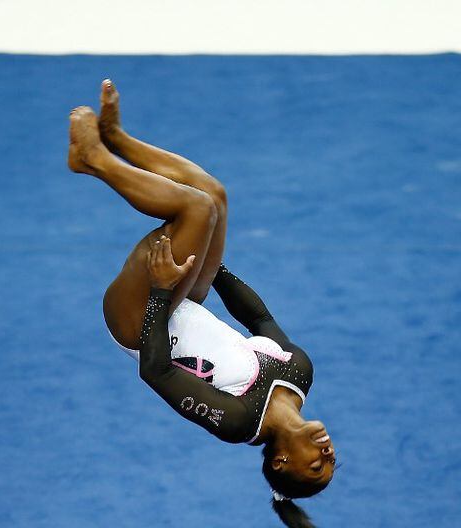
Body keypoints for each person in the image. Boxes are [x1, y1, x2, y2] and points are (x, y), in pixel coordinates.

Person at [67, 80, 336, 528]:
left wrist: (160, 289)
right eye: (331, 460)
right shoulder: (299, 374)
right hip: (185, 301)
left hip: (139, 322)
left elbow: (156, 371)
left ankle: (93, 159)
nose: (326, 454)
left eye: (315, 466)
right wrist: (214, 265)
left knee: (195, 209)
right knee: (214, 198)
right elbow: (258, 317)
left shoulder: (238, 422)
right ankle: (116, 138)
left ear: (281, 462)